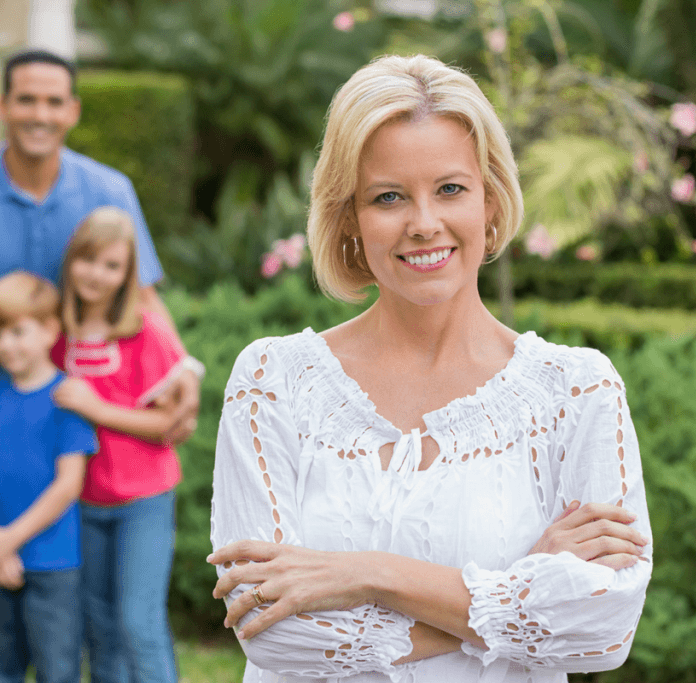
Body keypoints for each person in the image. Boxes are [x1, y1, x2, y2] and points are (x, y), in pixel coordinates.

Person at [207, 54, 653, 683]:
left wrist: (365, 574)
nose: (423, 224)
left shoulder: (576, 391)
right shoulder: (273, 383)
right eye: (388, 197)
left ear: (491, 202)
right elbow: (271, 632)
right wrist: (522, 591)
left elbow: (601, 632)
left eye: (450, 189)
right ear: (350, 221)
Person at [0, 48, 199, 683]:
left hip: (74, 401)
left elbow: (144, 299)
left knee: (75, 590)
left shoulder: (109, 192)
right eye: (26, 99)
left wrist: (184, 374)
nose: (40, 113)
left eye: (54, 101)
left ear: (73, 111)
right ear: (3, 107)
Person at [0, 206, 196, 682]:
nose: (97, 275)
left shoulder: (142, 332)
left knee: (138, 620)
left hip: (143, 498)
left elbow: (170, 425)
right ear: (70, 262)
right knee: (101, 627)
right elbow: (21, 383)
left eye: (112, 266)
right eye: (87, 261)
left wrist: (97, 409)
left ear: (128, 274)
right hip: (84, 501)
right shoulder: (57, 337)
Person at [0, 271, 95, 683]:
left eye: (18, 332)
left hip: (53, 564)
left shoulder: (66, 400)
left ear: (51, 330)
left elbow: (68, 485)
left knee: (58, 668)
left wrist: (7, 541)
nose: (5, 345)